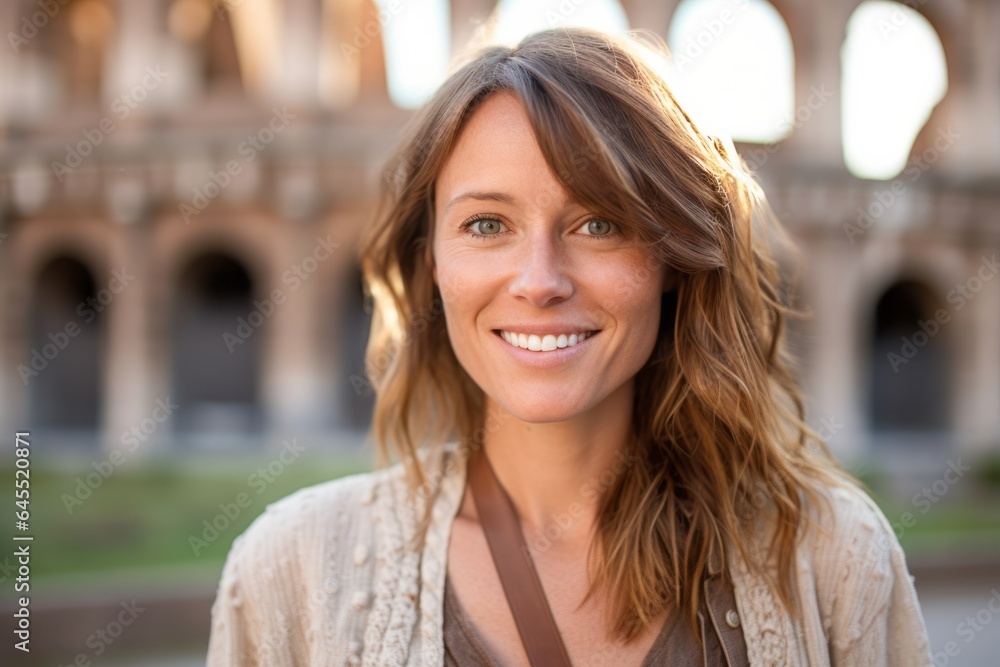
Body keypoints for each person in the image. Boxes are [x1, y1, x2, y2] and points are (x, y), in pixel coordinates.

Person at [206, 26, 933, 666]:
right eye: (487, 224)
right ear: (433, 264)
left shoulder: (833, 559)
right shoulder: (290, 571)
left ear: (674, 260)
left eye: (599, 223)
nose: (540, 281)